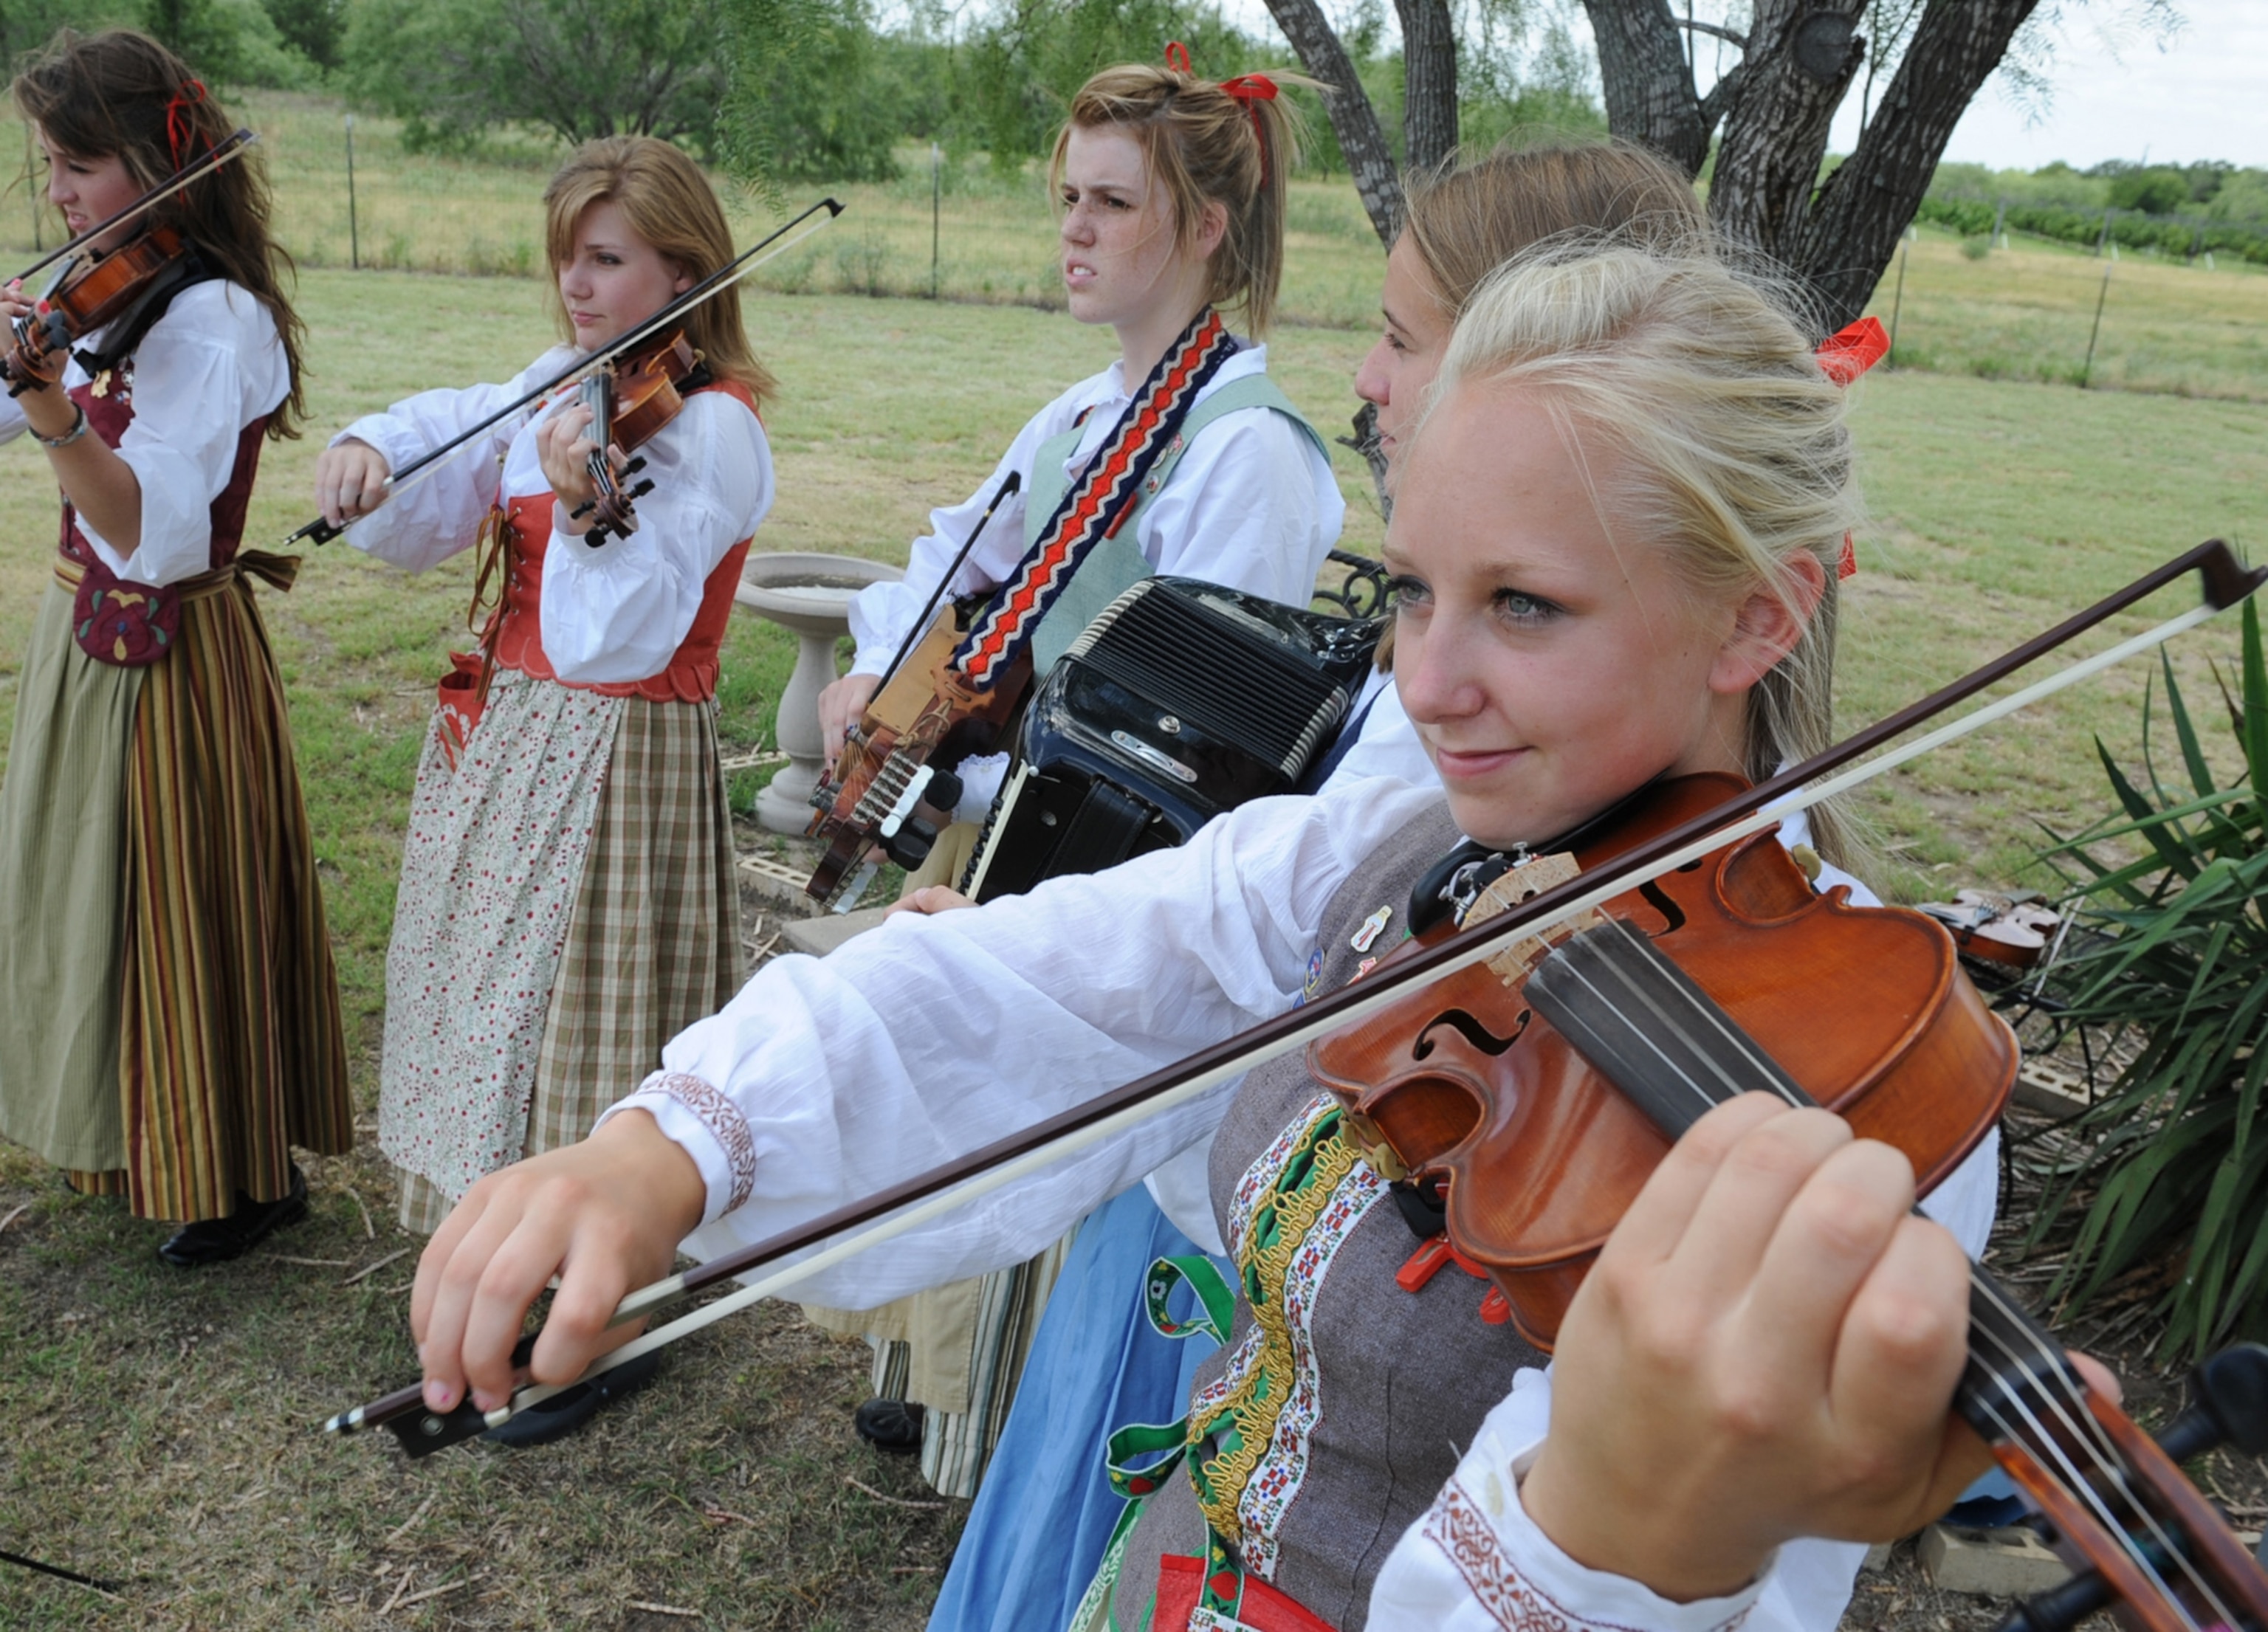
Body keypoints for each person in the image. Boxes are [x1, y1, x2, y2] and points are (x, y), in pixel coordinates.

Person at [408, 242, 2007, 1627]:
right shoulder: (1417, 855)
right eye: (1414, 591)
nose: (1430, 684)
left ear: (1757, 613)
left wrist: (1617, 1526)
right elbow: (1052, 976)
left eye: (1526, 605)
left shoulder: (1856, 1093)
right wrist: (673, 1146)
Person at [921, 139, 1711, 1632]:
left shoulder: (1471, 750)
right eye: (1412, 592)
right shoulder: (1442, 791)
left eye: (1405, 337)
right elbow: (1239, 917)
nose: (1367, 371)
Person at [805, 52, 1348, 1497]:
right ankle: (933, 1379)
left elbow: (1190, 745)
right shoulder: (1073, 421)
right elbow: (951, 562)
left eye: (1113, 202)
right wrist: (880, 662)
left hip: (1109, 881)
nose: (1077, 229)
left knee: (1043, 1121)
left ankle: (1011, 1426)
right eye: (1070, 198)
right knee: (951, 1096)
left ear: (1208, 229)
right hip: (1001, 839)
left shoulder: (1247, 455)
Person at [310, 135, 774, 1441]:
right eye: (567, 254)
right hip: (516, 739)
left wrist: (588, 511)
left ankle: (601, 1311)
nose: (577, 283)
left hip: (619, 758)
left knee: (583, 1017)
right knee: (493, 991)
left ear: (685, 264)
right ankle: (503, 1261)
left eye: (608, 257)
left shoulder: (715, 427)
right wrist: (368, 453)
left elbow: (613, 635)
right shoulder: (558, 388)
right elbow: (444, 443)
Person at [0, 29, 351, 1265]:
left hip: (172, 654)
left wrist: (47, 405)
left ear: (162, 159)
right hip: (83, 636)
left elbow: (147, 530)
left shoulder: (209, 320)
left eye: (77, 165)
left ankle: (242, 1174)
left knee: (179, 910)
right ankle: (132, 1136)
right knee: (94, 899)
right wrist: (28, 379)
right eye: (46, 166)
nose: (56, 196)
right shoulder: (112, 290)